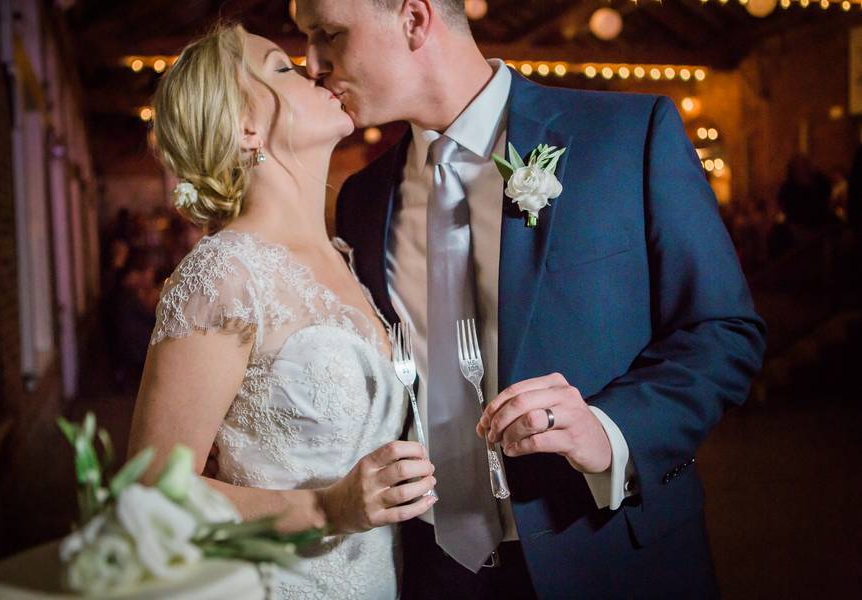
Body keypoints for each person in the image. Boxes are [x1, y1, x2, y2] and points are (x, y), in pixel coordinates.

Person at [295, 0, 767, 598]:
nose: (313, 63)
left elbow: (723, 330)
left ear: (414, 19)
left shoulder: (626, 135)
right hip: (430, 566)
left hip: (607, 552)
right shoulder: (363, 198)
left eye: (328, 34)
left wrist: (610, 431)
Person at [126, 24, 436, 599]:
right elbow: (149, 491)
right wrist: (325, 509)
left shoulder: (348, 256)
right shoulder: (224, 274)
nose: (315, 70)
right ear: (246, 127)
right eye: (283, 68)